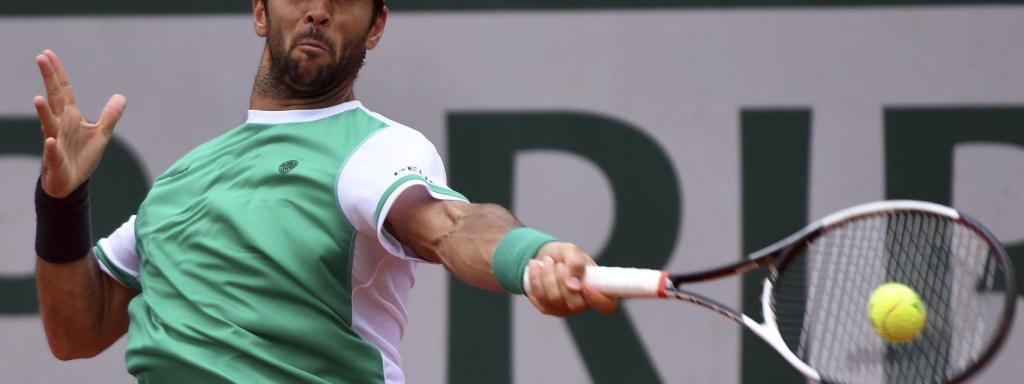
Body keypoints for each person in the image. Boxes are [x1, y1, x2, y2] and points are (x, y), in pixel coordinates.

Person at [31, 0, 616, 382]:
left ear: (376, 26)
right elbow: (76, 331)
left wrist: (528, 254)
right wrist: (61, 202)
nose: (317, 11)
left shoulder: (375, 150)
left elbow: (452, 226)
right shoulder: (180, 184)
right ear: (260, 12)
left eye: (344, 0)